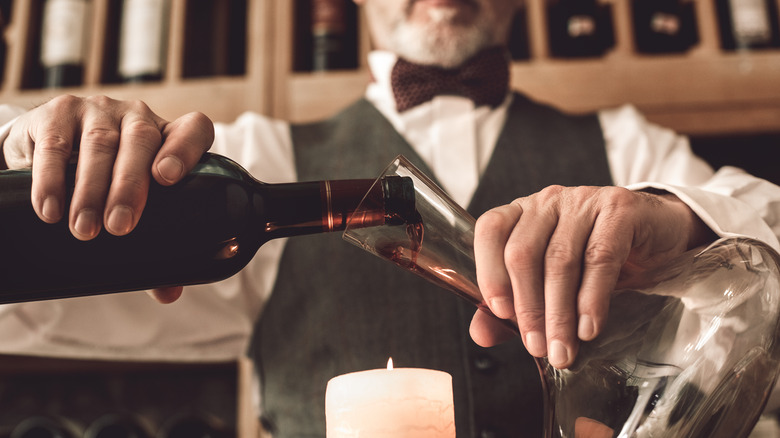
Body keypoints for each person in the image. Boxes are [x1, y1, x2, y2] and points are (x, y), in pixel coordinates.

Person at [1, 0, 780, 436]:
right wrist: (26, 150)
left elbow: (768, 240)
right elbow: (33, 307)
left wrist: (678, 221)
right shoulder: (260, 154)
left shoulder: (625, 143)